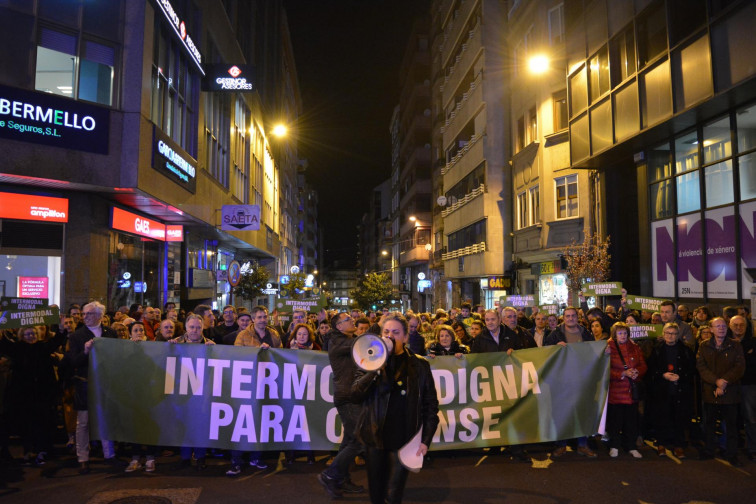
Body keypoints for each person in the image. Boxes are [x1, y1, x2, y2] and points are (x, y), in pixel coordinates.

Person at [351, 312, 439, 504]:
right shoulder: (369, 360)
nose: (390, 336)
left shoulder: (420, 365)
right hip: (375, 438)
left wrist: (425, 439)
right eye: (386, 331)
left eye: (396, 332)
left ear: (406, 337)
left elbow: (430, 405)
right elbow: (356, 394)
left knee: (394, 493)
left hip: (404, 438)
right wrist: (375, 368)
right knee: (376, 493)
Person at [0, 326, 67, 466]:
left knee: (42, 423)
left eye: (34, 334)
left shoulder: (42, 347)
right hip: (24, 395)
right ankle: (28, 451)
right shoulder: (18, 348)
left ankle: (41, 451)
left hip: (42, 393)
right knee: (26, 424)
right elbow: (5, 346)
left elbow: (55, 342)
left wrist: (62, 330)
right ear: (22, 335)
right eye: (28, 334)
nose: (31, 336)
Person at [66, 301, 118, 474]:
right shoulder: (76, 336)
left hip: (105, 382)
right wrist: (86, 352)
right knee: (84, 422)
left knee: (105, 419)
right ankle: (83, 457)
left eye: (89, 314)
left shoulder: (110, 333)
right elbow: (73, 361)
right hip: (84, 382)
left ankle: (109, 454)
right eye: (83, 314)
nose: (84, 317)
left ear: (99, 316)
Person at [226, 306, 279, 475]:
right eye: (259, 317)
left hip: (266, 384)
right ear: (253, 319)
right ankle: (236, 461)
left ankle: (256, 457)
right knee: (242, 422)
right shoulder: (243, 335)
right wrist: (257, 351)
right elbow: (238, 356)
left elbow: (281, 355)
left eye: (265, 317)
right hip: (247, 384)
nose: (263, 320)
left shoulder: (274, 335)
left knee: (261, 422)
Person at [317, 313, 365, 497]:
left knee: (349, 440)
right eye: (348, 320)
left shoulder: (346, 339)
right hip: (347, 396)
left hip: (353, 394)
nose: (352, 321)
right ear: (338, 326)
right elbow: (360, 344)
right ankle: (330, 474)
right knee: (358, 439)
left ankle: (341, 479)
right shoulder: (338, 342)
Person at [546, 306, 598, 458]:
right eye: (567, 316)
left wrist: (604, 350)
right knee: (562, 414)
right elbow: (545, 353)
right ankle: (561, 445)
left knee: (582, 412)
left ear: (577, 317)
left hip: (581, 380)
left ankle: (582, 445)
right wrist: (554, 348)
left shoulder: (586, 333)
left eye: (573, 316)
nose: (570, 319)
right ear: (563, 318)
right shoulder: (555, 334)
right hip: (562, 382)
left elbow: (593, 351)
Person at [696, 317, 745, 466]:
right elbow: (701, 367)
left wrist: (724, 382)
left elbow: (739, 367)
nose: (721, 328)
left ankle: (731, 453)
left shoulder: (735, 345)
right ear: (711, 329)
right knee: (709, 423)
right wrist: (716, 382)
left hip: (730, 391)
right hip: (710, 390)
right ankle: (709, 450)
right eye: (717, 326)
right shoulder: (704, 346)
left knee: (730, 425)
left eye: (723, 326)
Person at [646, 322, 696, 459]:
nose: (670, 336)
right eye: (668, 333)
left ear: (678, 335)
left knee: (679, 418)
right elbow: (650, 369)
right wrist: (663, 375)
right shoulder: (656, 349)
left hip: (680, 389)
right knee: (662, 417)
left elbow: (692, 369)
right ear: (663, 334)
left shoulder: (685, 350)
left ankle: (678, 446)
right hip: (662, 389)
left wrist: (681, 376)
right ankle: (661, 444)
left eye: (674, 333)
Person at [170, 314, 214, 469]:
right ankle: (185, 456)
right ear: (186, 328)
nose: (195, 330)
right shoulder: (175, 344)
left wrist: (213, 352)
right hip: (182, 392)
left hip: (202, 393)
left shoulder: (210, 345)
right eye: (192, 327)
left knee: (200, 424)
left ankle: (200, 456)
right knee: (184, 423)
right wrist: (169, 348)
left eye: (198, 327)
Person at [607, 321, 647, 458]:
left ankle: (631, 446)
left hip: (631, 391)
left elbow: (643, 365)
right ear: (615, 334)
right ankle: (614, 446)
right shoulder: (608, 347)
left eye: (625, 333)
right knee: (615, 421)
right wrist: (622, 374)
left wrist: (637, 372)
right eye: (620, 333)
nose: (623, 335)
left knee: (631, 421)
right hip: (615, 391)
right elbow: (605, 369)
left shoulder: (635, 347)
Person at [124, 322, 158, 473]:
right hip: (133, 395)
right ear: (130, 334)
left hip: (149, 394)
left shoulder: (152, 349)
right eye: (135, 330)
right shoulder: (126, 350)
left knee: (149, 425)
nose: (139, 332)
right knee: (134, 426)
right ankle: (135, 457)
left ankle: (150, 458)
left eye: (141, 330)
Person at [729, 315, 756, 461]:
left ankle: (753, 448)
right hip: (729, 385)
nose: (738, 328)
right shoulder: (725, 342)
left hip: (748, 385)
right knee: (730, 418)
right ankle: (731, 448)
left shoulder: (753, 342)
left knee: (751, 418)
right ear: (730, 326)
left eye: (742, 325)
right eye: (735, 325)